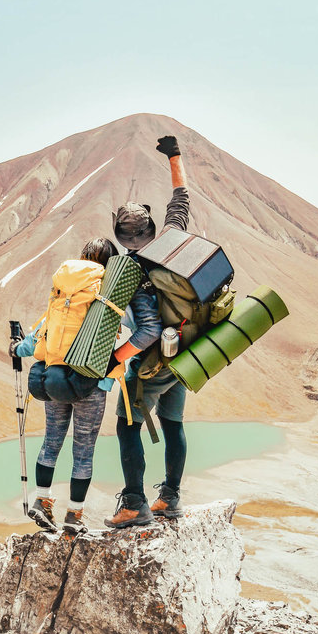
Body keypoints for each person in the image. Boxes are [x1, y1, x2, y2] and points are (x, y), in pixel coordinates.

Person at [104, 135, 192, 528]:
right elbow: (181, 199)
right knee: (173, 425)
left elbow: (148, 329)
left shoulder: (131, 272)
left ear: (121, 238)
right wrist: (174, 155)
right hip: (187, 351)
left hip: (151, 364)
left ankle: (135, 504)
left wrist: (116, 358)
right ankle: (169, 498)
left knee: (127, 426)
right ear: (152, 228)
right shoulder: (173, 239)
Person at [9, 238, 120, 535]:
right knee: (83, 452)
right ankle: (74, 515)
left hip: (53, 378)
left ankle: (42, 501)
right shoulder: (107, 293)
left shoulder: (61, 291)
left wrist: (17, 347)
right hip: (89, 384)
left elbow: (34, 339)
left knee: (51, 442)